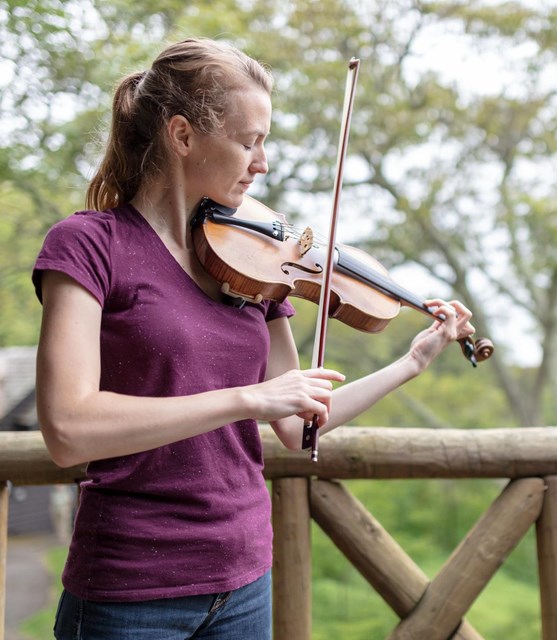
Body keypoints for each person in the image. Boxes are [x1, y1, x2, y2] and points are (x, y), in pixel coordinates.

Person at [33, 37, 475, 640]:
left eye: (264, 142)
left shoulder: (253, 265)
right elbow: (67, 429)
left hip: (244, 578)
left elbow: (297, 424)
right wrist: (246, 400)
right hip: (131, 588)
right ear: (183, 136)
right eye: (249, 141)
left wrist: (410, 363)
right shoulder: (89, 246)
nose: (262, 163)